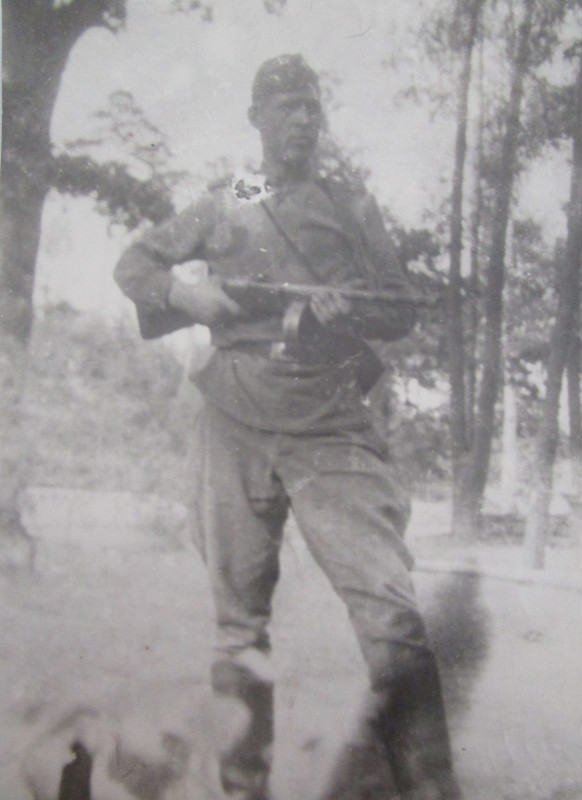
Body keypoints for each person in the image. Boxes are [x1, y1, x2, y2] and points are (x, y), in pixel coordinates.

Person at [114, 54, 461, 800]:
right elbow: (136, 264)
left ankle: (430, 786)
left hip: (329, 417)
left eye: (311, 106)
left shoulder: (349, 202)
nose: (303, 119)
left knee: (390, 613)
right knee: (238, 626)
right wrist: (185, 295)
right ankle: (245, 788)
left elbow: (398, 308)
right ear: (257, 119)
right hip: (235, 414)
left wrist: (348, 310)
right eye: (286, 107)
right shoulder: (241, 193)